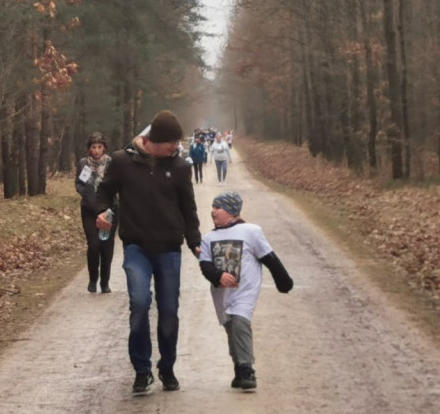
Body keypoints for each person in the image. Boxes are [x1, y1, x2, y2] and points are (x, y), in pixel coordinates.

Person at [96, 110, 202, 395]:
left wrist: (195, 240)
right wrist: (101, 212)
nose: (175, 147)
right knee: (140, 303)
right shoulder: (122, 161)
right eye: (171, 143)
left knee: (169, 312)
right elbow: (104, 192)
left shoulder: (180, 167)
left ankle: (166, 368)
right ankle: (142, 371)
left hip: (169, 249)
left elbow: (188, 208)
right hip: (136, 247)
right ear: (154, 140)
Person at [199, 191, 293, 391]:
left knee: (240, 322)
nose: (213, 211)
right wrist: (217, 276)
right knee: (232, 329)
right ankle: (238, 369)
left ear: (232, 211)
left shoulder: (251, 231)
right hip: (222, 294)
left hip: (245, 291)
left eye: (218, 207)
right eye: (213, 207)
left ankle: (247, 370)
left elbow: (269, 258)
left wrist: (283, 282)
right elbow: (205, 265)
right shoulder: (208, 238)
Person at [75, 132, 116, 293]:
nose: (97, 150)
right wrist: (86, 194)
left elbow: (117, 183)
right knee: (93, 245)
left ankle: (105, 282)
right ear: (89, 149)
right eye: (94, 147)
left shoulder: (111, 163)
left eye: (99, 147)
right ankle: (93, 278)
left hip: (109, 211)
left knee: (106, 246)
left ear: (104, 148)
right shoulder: (83, 164)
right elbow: (78, 183)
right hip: (89, 209)